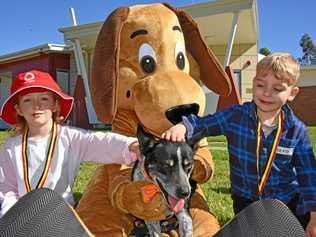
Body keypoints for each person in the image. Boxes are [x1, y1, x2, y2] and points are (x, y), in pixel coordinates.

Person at [161, 52, 316, 237]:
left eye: (277, 89)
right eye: (261, 85)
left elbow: (309, 178)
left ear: (292, 93)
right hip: (246, 201)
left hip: (287, 203)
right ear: (253, 83)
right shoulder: (235, 116)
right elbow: (204, 124)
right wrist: (183, 127)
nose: (266, 93)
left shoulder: (297, 131)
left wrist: (314, 217)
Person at [0, 70, 139, 218]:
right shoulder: (11, 146)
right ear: (19, 109)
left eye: (44, 99)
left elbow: (99, 142)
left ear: (55, 105)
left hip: (61, 216)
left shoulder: (70, 138)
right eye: (27, 100)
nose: (37, 106)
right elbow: (7, 187)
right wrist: (13, 217)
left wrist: (129, 145)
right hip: (24, 216)